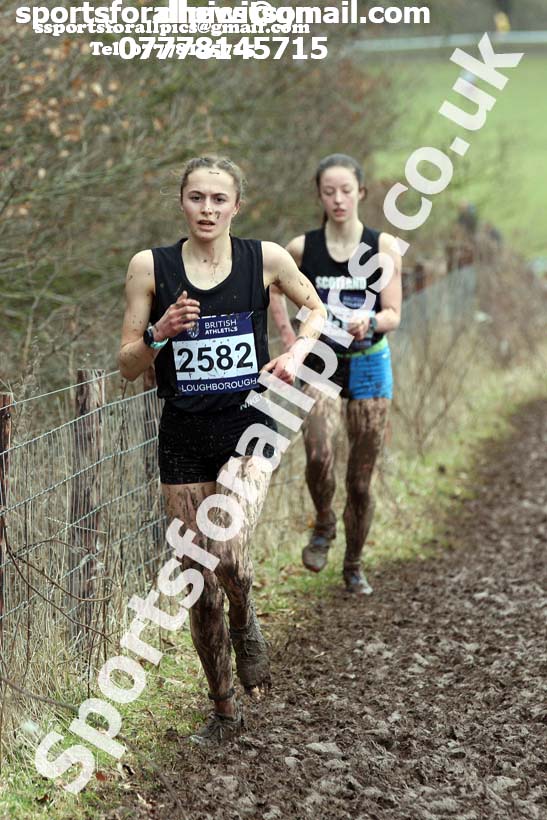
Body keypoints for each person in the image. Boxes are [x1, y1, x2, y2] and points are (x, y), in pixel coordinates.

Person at [118, 156, 326, 743]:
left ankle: (247, 615)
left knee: (228, 558)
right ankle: (223, 707)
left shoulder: (266, 260)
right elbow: (128, 363)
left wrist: (296, 351)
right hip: (183, 437)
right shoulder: (150, 267)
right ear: (180, 202)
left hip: (248, 431)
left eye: (218, 199)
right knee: (195, 575)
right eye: (196, 198)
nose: (207, 209)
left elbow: (317, 309)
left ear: (237, 204)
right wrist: (161, 333)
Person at [270, 153, 402, 595]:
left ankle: (354, 563)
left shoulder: (382, 248)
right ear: (319, 195)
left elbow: (394, 313)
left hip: (368, 362)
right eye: (330, 191)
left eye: (347, 190)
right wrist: (289, 336)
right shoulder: (301, 248)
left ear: (361, 192)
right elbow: (273, 288)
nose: (339, 199)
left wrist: (372, 322)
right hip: (321, 363)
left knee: (361, 481)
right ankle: (324, 522)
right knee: (317, 454)